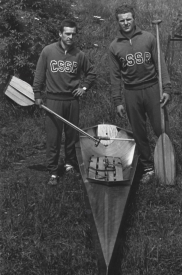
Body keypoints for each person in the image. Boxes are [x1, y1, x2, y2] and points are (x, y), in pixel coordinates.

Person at [109, 4, 171, 184]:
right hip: (131, 92)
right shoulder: (114, 46)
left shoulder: (148, 38)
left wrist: (166, 88)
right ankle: (149, 167)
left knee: (162, 128)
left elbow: (161, 65)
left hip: (152, 89)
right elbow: (114, 76)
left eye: (129, 19)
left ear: (134, 18)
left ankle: (167, 162)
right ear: (118, 22)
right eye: (122, 20)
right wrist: (118, 100)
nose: (126, 23)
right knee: (139, 132)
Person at [33, 19, 96, 185]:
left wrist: (83, 88)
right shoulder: (48, 51)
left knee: (71, 136)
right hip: (53, 100)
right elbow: (39, 74)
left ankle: (69, 164)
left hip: (72, 101)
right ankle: (53, 171)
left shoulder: (79, 54)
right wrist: (37, 94)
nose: (70, 37)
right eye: (67, 33)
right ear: (60, 34)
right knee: (53, 137)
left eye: (73, 34)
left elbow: (91, 73)